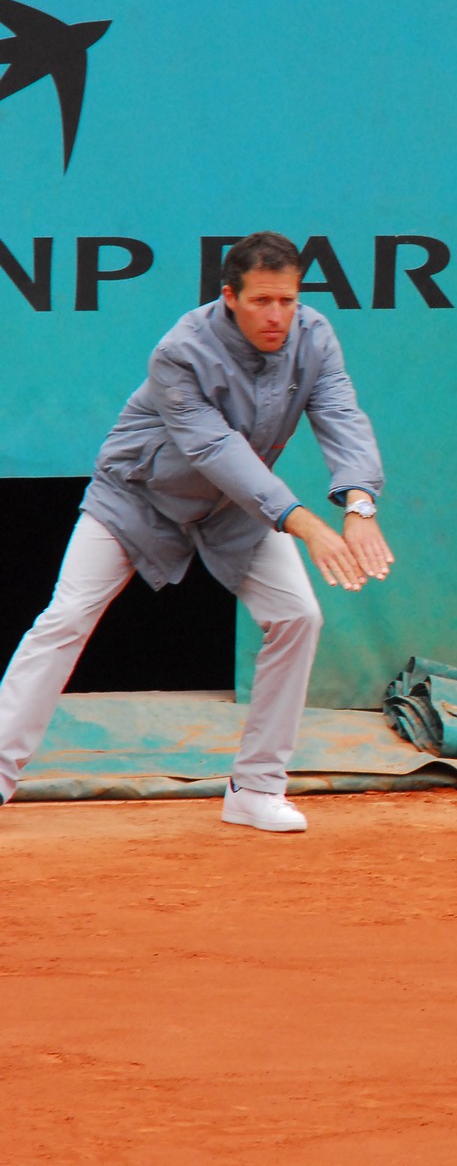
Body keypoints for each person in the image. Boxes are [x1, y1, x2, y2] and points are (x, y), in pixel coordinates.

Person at [0, 231, 392, 831]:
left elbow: (341, 415)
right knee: (67, 617)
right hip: (136, 497)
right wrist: (307, 524)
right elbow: (215, 450)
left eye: (287, 300)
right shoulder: (180, 351)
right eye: (262, 301)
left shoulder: (314, 337)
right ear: (230, 297)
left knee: (297, 616)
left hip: (237, 510)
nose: (278, 315)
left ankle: (256, 787)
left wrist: (359, 505)